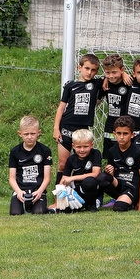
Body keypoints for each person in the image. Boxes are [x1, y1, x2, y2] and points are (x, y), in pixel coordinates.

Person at [52, 53, 102, 183]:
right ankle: (59, 199)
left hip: (83, 130)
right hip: (66, 127)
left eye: (93, 70)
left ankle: (79, 195)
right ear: (79, 67)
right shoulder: (70, 85)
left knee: (82, 165)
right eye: (87, 68)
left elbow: (113, 75)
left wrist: (124, 74)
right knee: (63, 164)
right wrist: (56, 128)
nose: (90, 72)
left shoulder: (97, 84)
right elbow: (61, 108)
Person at [98, 116, 140, 212]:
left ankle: (129, 200)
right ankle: (118, 198)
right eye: (119, 133)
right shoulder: (112, 151)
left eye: (125, 134)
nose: (122, 137)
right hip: (118, 184)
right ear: (115, 134)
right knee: (101, 177)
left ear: (132, 135)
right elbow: (112, 173)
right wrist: (109, 171)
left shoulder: (138, 152)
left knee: (119, 208)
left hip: (131, 186)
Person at [9, 116, 52, 215]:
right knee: (15, 213)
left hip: (37, 190)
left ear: (38, 133)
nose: (29, 137)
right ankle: (21, 203)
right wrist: (19, 192)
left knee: (39, 212)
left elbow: (47, 178)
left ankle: (39, 204)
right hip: (21, 190)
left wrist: (40, 191)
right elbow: (11, 178)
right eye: (26, 134)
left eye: (32, 133)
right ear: (20, 134)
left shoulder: (45, 151)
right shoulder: (14, 152)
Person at [58, 129, 103, 211]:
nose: (82, 150)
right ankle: (82, 205)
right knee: (64, 209)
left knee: (89, 182)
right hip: (78, 190)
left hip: (93, 188)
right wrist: (58, 200)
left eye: (85, 146)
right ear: (73, 146)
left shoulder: (96, 154)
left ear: (91, 145)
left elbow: (95, 174)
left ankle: (92, 205)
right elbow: (64, 179)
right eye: (79, 147)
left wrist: (72, 178)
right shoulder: (71, 159)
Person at [100, 53, 130, 156]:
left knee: (126, 153)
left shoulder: (129, 83)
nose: (111, 76)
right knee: (110, 154)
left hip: (127, 125)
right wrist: (105, 78)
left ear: (122, 70)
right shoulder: (104, 84)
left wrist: (125, 74)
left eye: (114, 72)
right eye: (108, 73)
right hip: (110, 125)